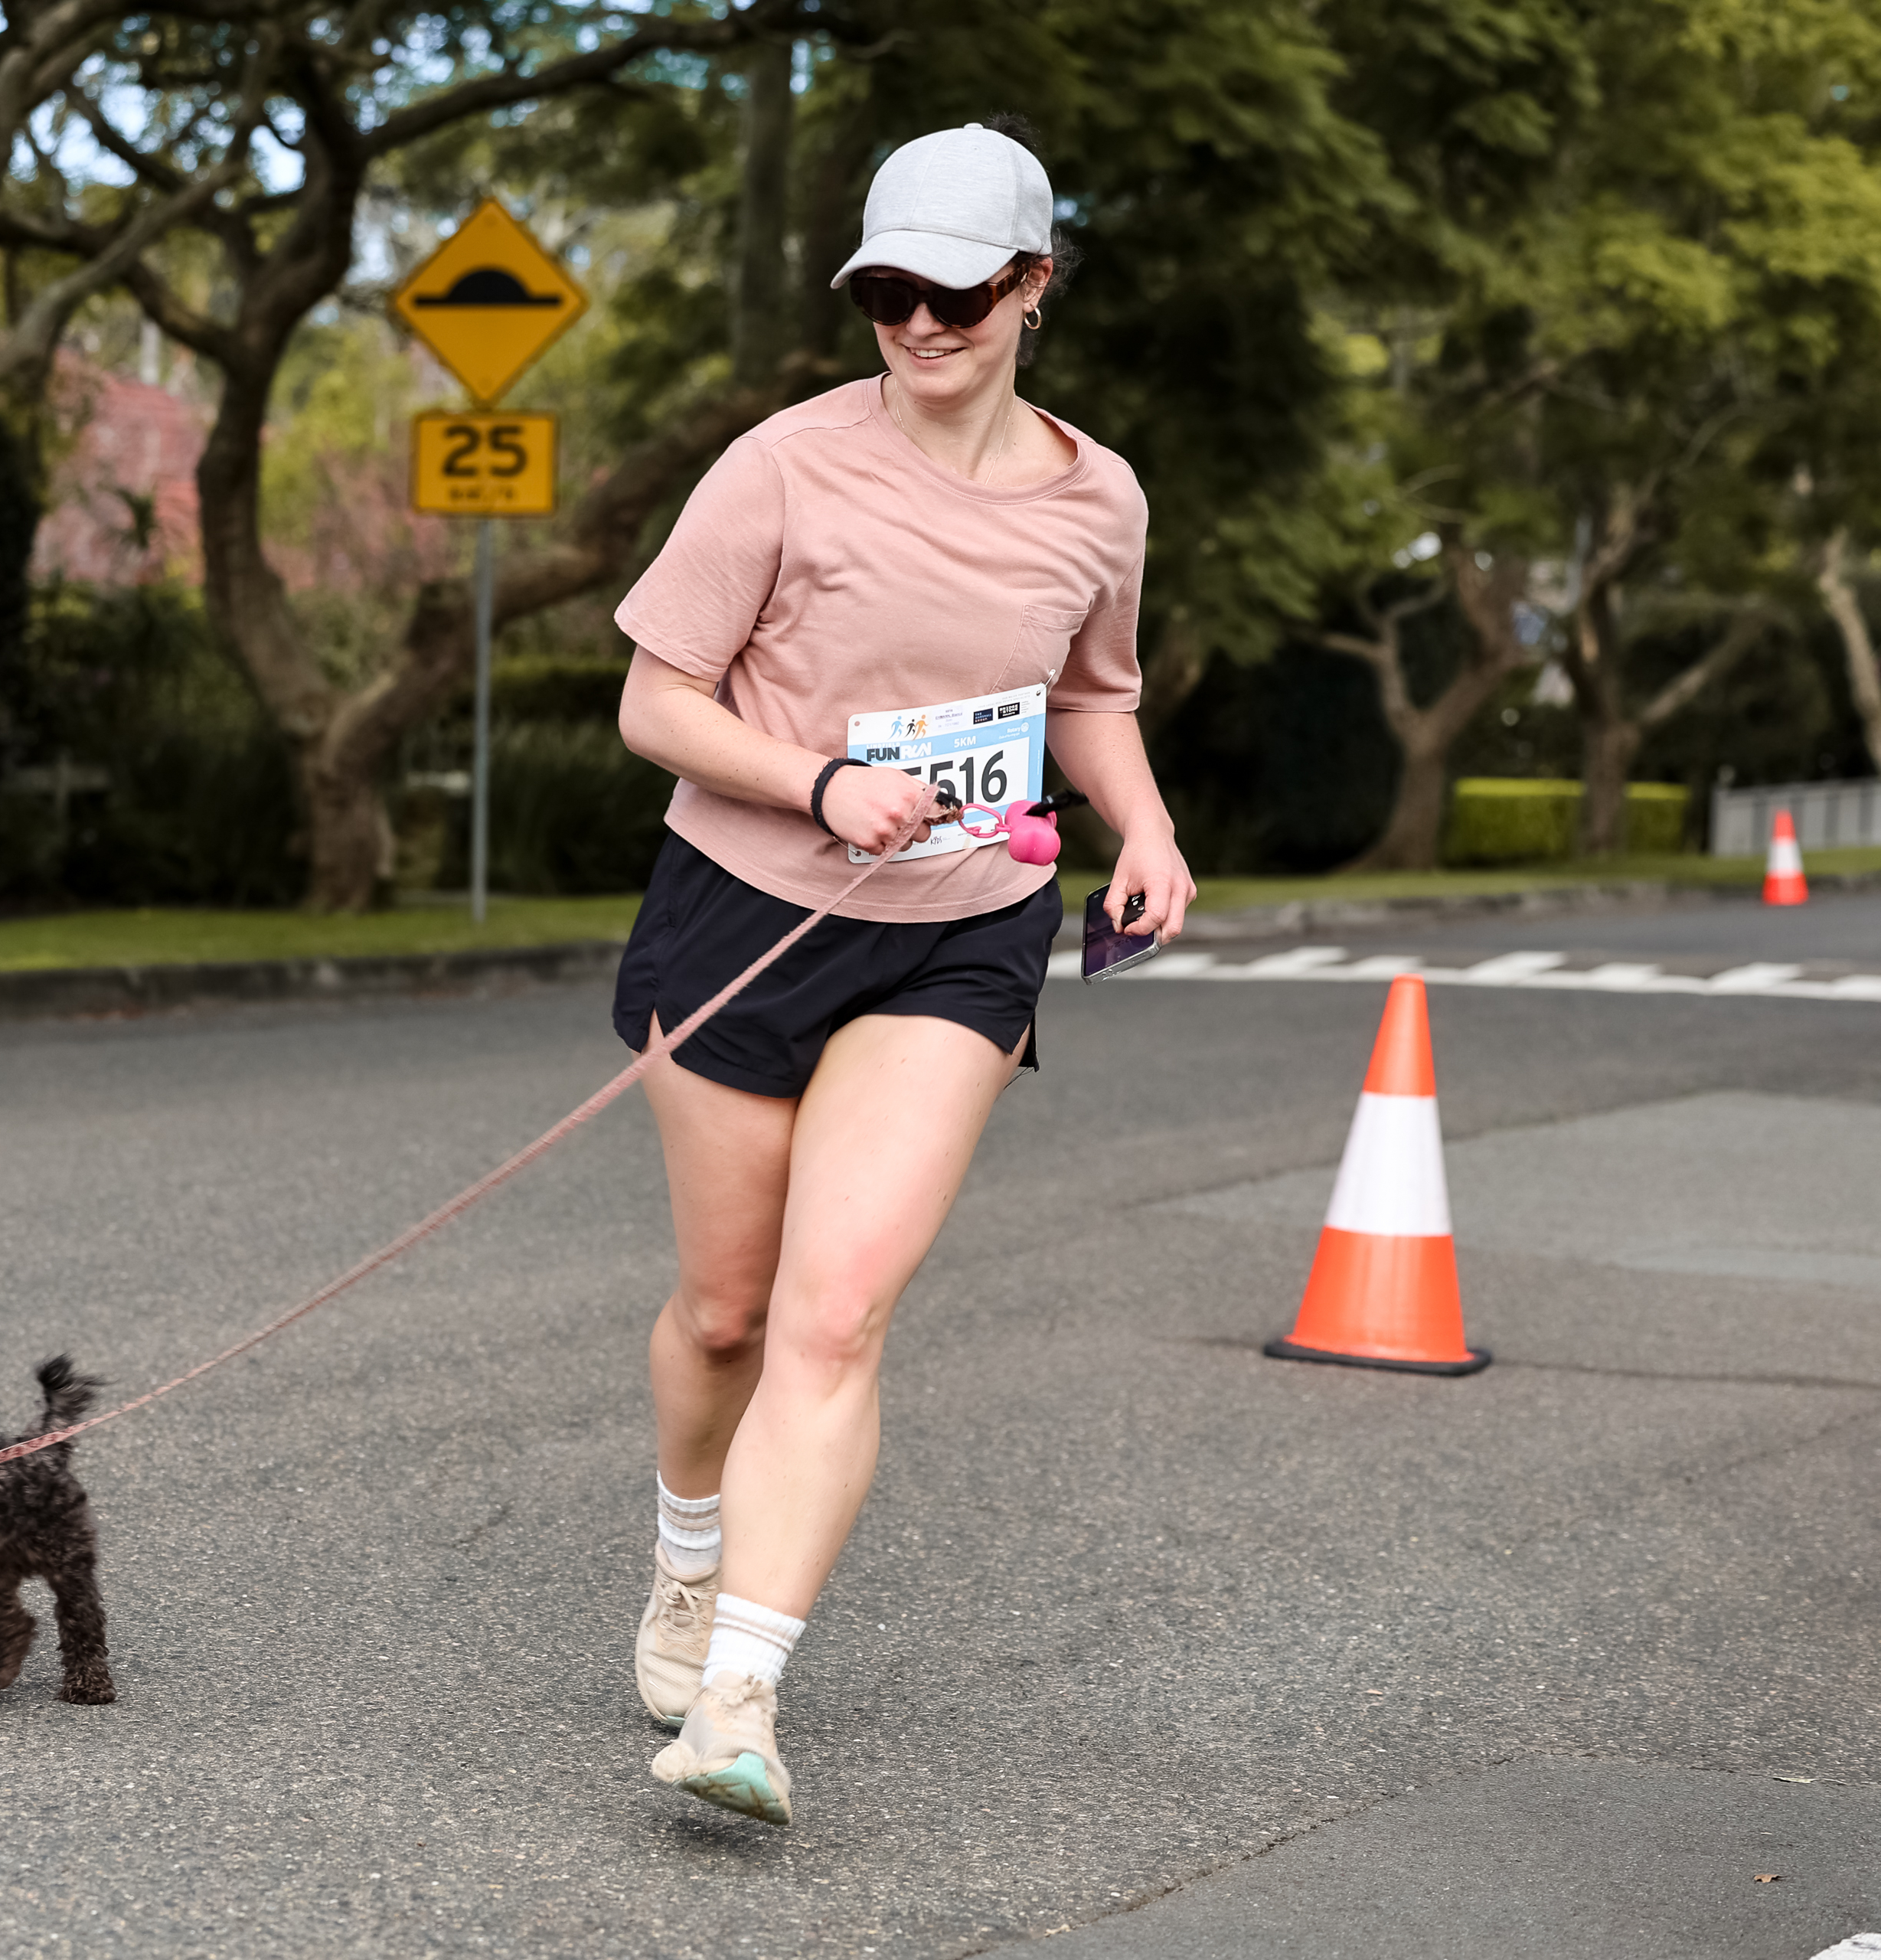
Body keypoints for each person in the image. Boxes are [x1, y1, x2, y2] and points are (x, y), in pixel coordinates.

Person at [609, 119, 1195, 1825]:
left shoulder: (1101, 495)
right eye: (885, 297)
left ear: (1033, 284)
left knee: (836, 1306)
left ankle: (741, 1693)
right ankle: (686, 1553)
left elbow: (1092, 691)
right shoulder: (780, 466)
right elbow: (655, 699)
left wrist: (1143, 831)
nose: (921, 328)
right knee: (722, 1312)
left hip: (962, 930)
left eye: (955, 294)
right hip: (743, 907)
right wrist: (814, 781)